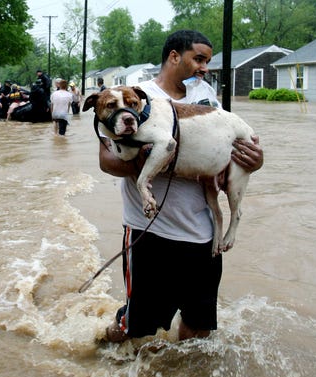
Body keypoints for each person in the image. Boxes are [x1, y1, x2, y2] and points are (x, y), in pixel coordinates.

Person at [99, 30, 264, 343]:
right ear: (174, 56)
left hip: (203, 235)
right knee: (137, 328)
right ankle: (101, 351)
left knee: (198, 328)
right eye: (198, 59)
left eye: (207, 61)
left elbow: (226, 155)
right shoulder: (130, 97)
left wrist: (255, 161)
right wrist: (153, 158)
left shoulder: (207, 99)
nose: (204, 67)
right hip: (150, 234)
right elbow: (107, 161)